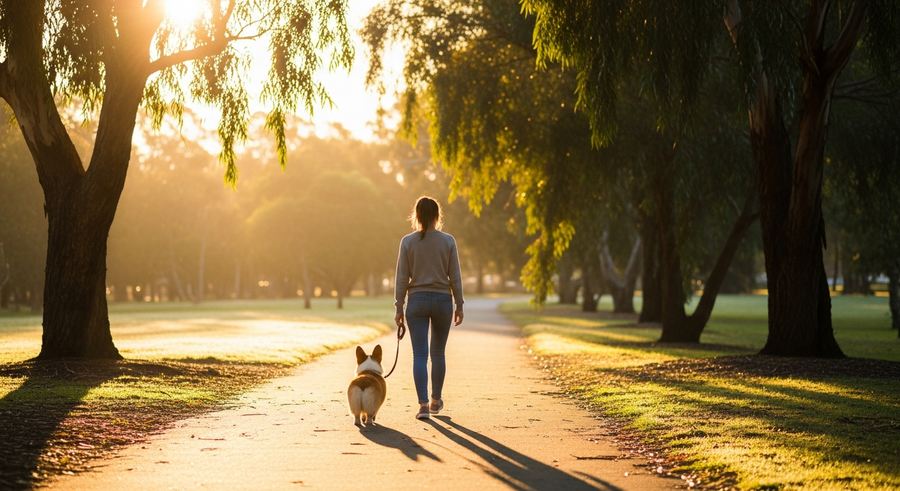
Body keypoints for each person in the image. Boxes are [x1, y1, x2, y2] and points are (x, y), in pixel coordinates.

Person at [394, 196, 464, 420]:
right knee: (438, 353)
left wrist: (399, 307)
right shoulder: (448, 241)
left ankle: (423, 405)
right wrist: (459, 304)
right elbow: (455, 277)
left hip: (417, 301)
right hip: (443, 300)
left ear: (416, 216)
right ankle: (435, 400)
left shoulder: (407, 242)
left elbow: (402, 278)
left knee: (420, 354)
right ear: (437, 216)